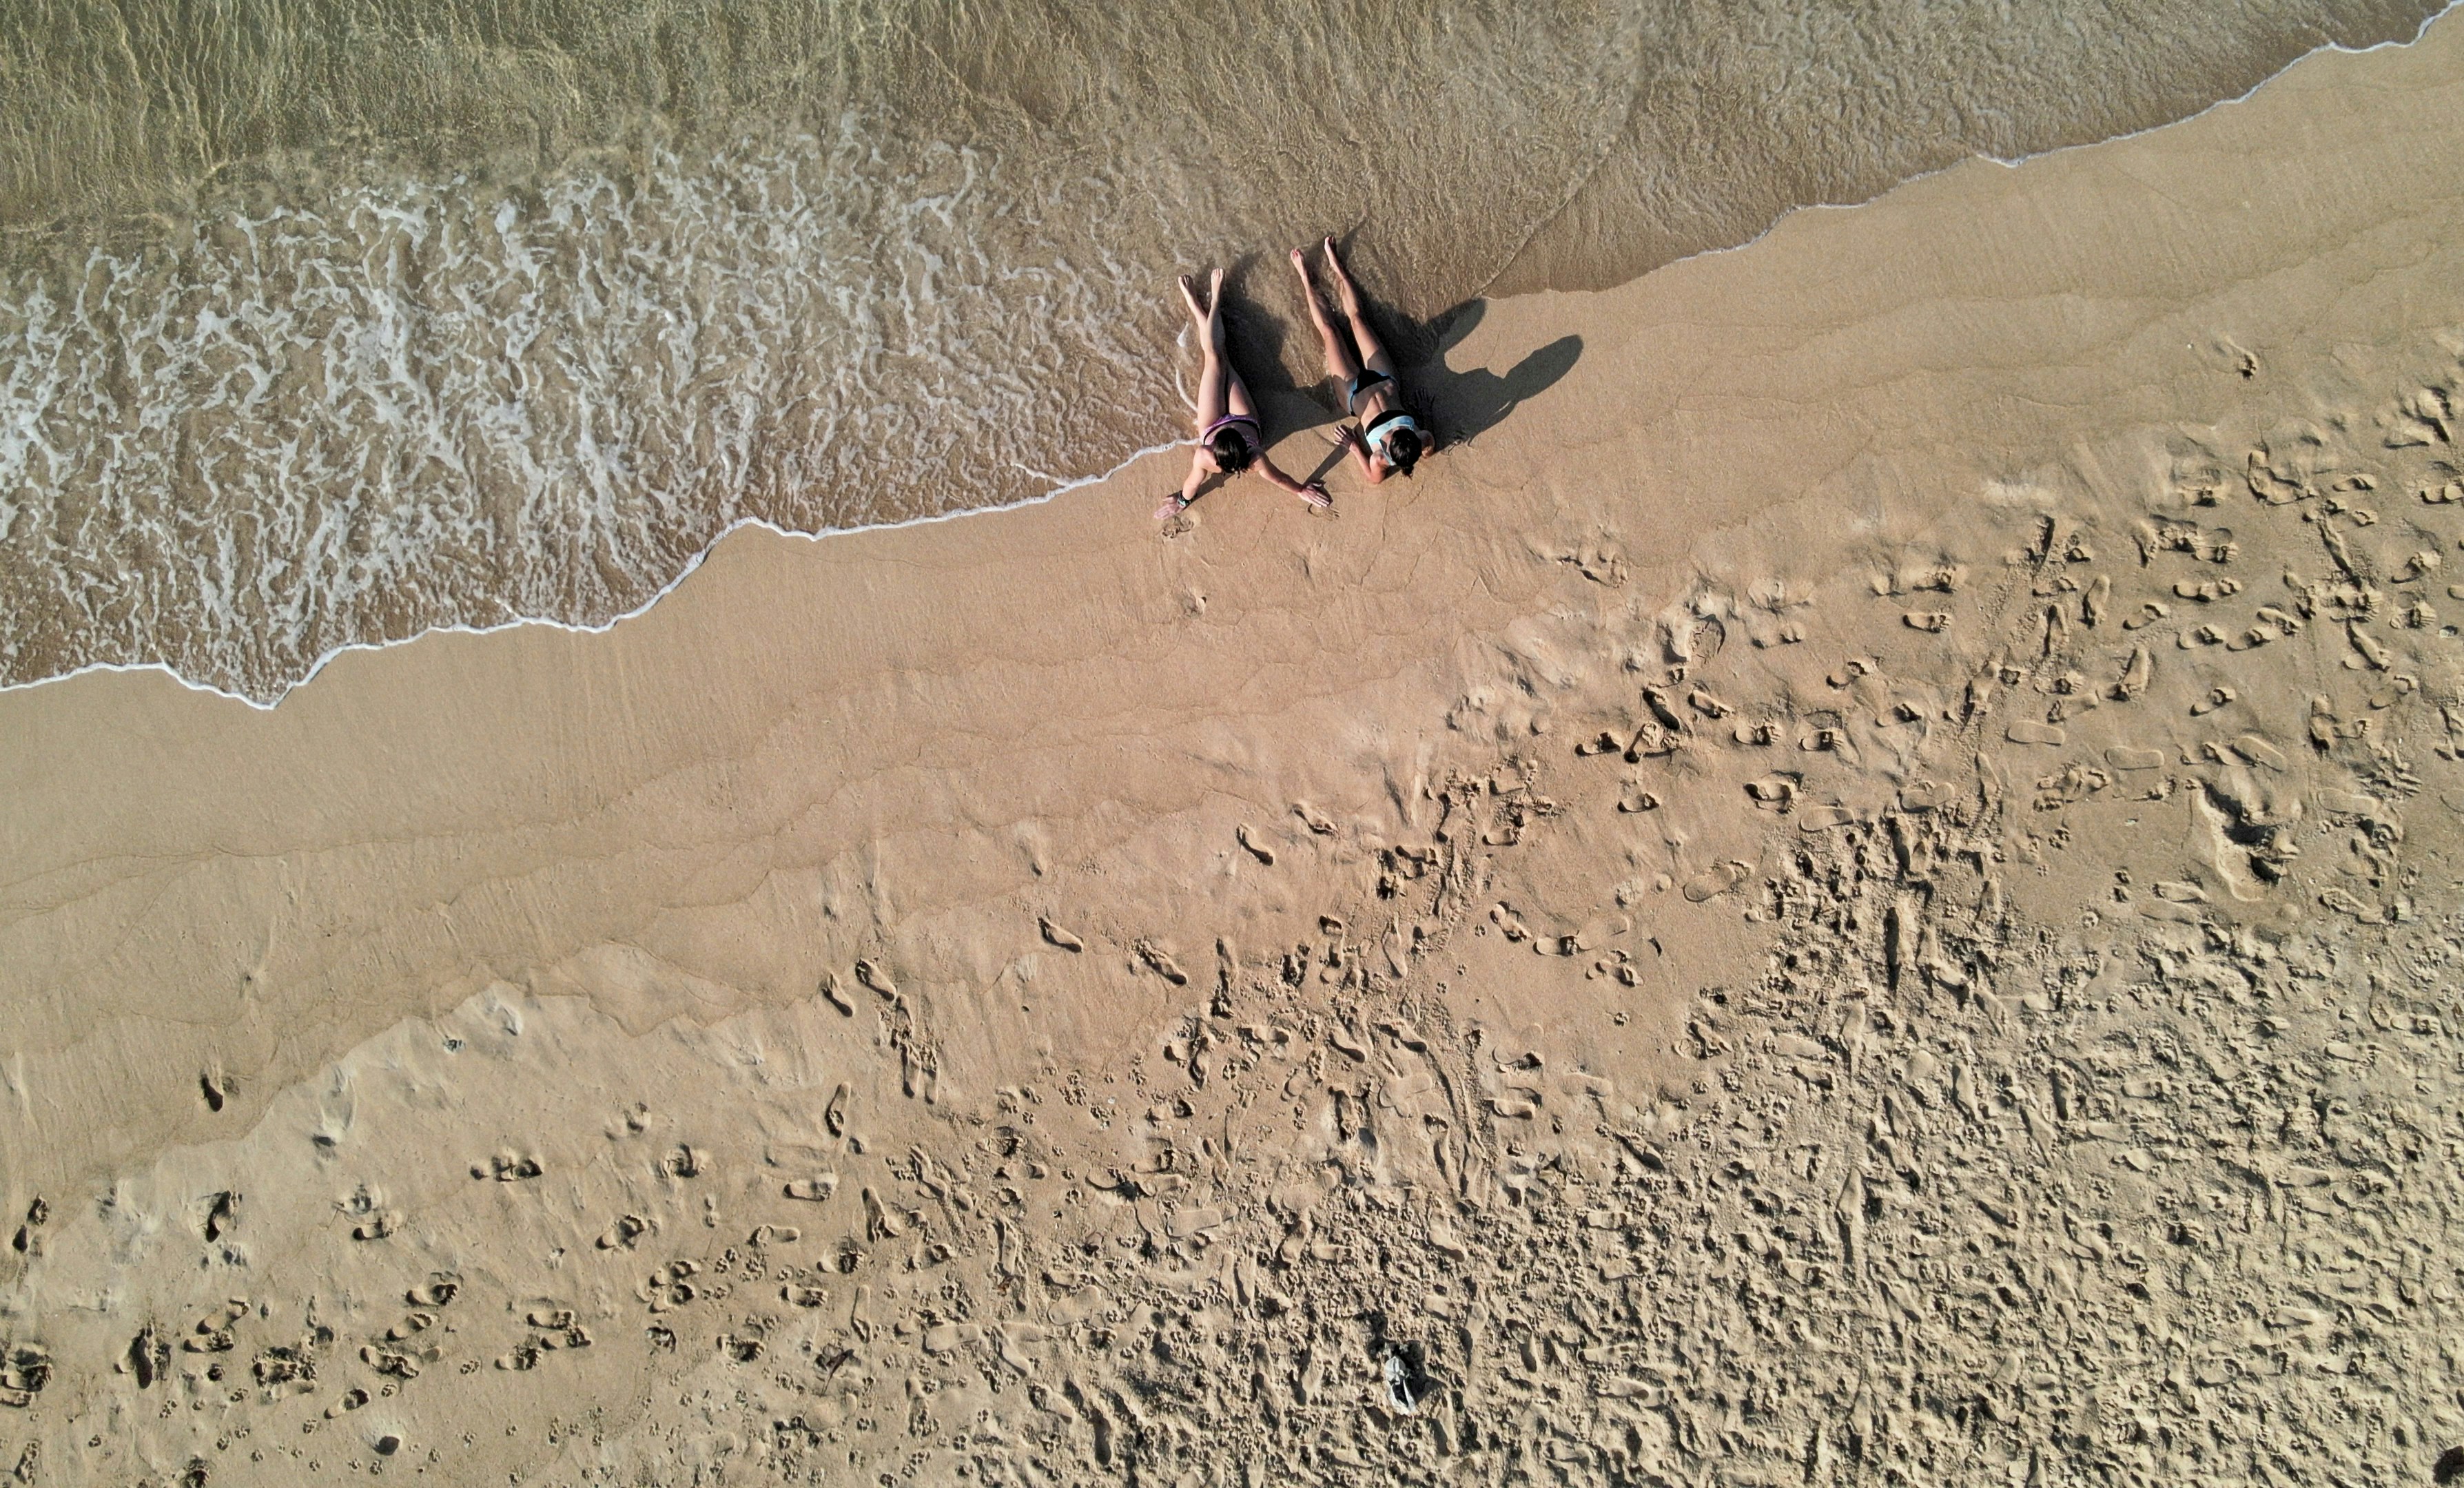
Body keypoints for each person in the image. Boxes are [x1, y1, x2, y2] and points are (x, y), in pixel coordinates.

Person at [1158, 268, 1330, 519]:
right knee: (1223, 359)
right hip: (1244, 418)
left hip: (1210, 423)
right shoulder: (1256, 457)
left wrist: (1182, 502)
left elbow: (1193, 483)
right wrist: (1301, 490)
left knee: (1214, 358)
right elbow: (1280, 479)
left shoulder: (1205, 455)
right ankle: (1210, 304)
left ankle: (1202, 305)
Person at [1291, 236, 1435, 484]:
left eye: (1394, 436)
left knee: (1330, 332)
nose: (1397, 430)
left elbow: (1374, 479)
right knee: (1358, 319)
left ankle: (1305, 278)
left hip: (1352, 393)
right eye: (1404, 430)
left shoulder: (1380, 458)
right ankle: (1337, 267)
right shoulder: (1422, 439)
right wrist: (1425, 413)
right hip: (1385, 378)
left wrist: (1354, 447)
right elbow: (1430, 444)